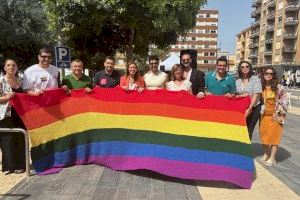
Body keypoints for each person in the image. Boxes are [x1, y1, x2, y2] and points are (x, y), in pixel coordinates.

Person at [0, 59, 25, 174]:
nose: (11, 67)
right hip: (6, 114)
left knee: (20, 139)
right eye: (8, 65)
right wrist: (7, 97)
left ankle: (21, 165)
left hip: (21, 114)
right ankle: (9, 166)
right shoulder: (1, 81)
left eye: (14, 65)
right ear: (4, 68)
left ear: (17, 67)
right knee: (7, 140)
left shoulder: (21, 81)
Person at [259, 67, 287, 166]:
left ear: (274, 75)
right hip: (264, 115)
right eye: (267, 73)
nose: (269, 75)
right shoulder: (260, 86)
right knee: (264, 136)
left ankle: (272, 157)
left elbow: (284, 101)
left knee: (275, 137)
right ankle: (266, 154)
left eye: (271, 73)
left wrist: (278, 113)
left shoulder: (279, 87)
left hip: (275, 115)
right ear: (263, 74)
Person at [235, 61, 262, 140]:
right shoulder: (237, 80)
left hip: (254, 108)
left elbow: (256, 94)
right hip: (241, 107)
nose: (245, 68)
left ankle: (245, 150)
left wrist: (250, 108)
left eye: (247, 66)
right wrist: (242, 95)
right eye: (242, 67)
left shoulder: (255, 78)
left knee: (249, 130)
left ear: (250, 68)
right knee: (240, 129)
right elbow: (235, 94)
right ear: (240, 69)